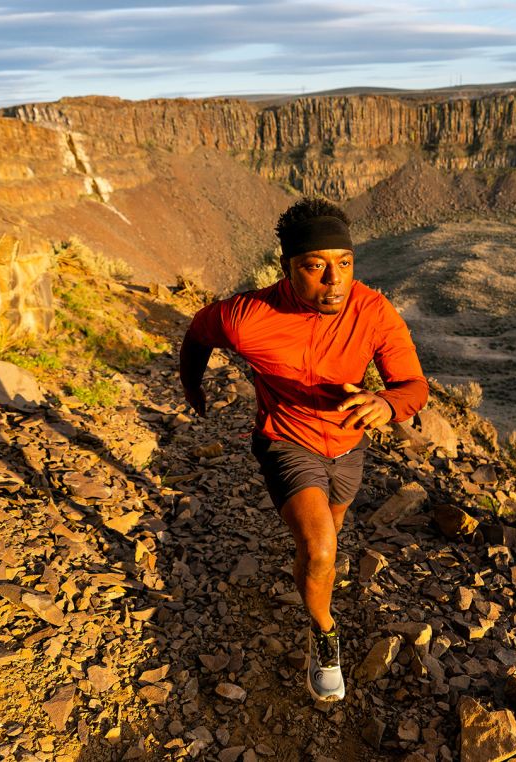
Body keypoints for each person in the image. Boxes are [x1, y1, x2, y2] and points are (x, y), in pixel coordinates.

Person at [178, 198, 428, 701]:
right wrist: (193, 386)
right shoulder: (247, 317)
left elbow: (413, 386)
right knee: (321, 548)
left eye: (344, 264)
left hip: (348, 446)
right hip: (285, 439)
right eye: (315, 267)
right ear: (288, 268)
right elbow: (197, 333)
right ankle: (324, 634)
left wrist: (385, 403)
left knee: (323, 543)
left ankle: (312, 581)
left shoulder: (373, 311)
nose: (334, 280)